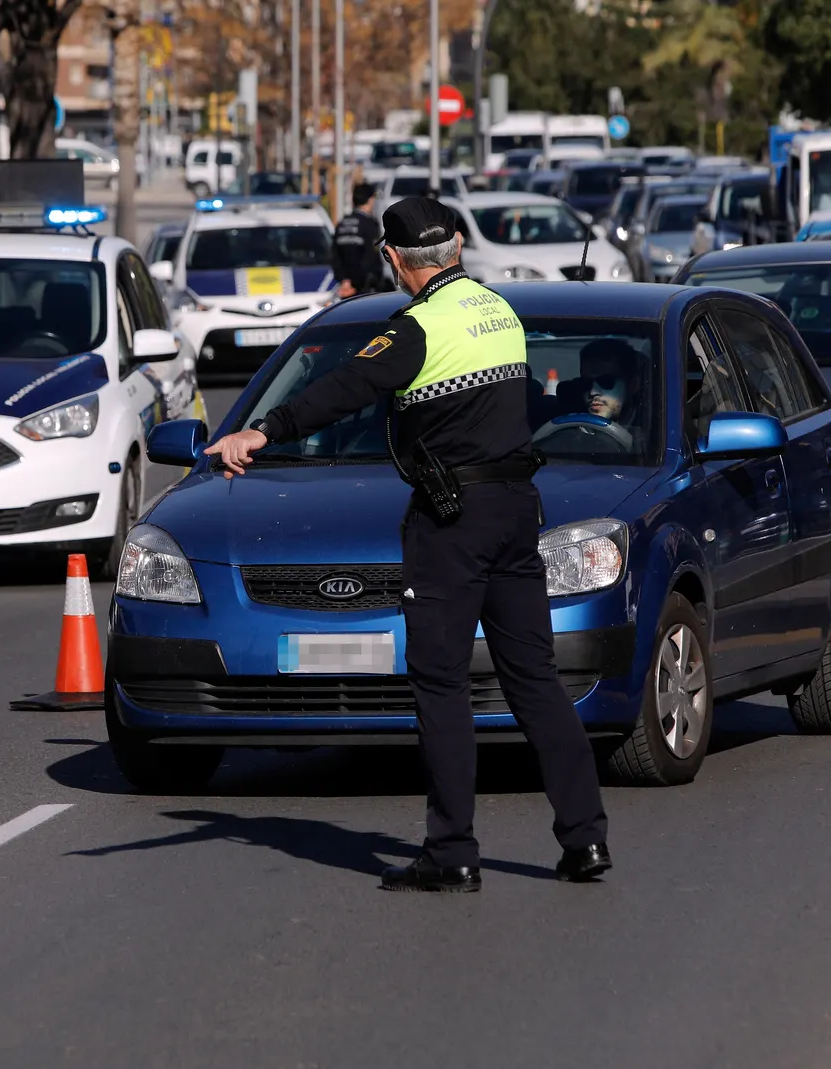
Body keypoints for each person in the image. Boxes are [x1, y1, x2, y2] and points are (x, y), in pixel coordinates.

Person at [205, 197, 612, 893]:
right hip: (519, 510)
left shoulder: (415, 329)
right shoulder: (498, 311)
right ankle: (586, 839)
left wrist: (262, 430)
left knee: (443, 683)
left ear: (392, 259)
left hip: (452, 520)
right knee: (534, 679)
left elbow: (346, 386)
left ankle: (451, 850)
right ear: (455, 244)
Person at [331, 183, 392, 298]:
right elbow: (370, 256)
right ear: (370, 200)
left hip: (345, 288)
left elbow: (335, 256)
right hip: (365, 287)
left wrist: (344, 280)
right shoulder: (369, 224)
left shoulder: (342, 223)